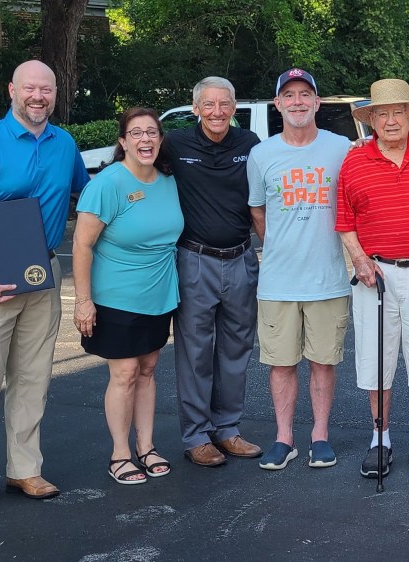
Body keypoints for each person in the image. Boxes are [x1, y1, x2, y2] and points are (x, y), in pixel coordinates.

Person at [0, 60, 89, 514]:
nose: (38, 97)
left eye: (46, 89)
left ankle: (25, 469)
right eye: (30, 88)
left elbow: (87, 197)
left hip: (42, 274)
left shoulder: (64, 144)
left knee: (33, 378)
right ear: (12, 90)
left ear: (56, 93)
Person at [336, 78, 409, 478]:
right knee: (376, 359)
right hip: (376, 274)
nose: (390, 121)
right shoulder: (354, 160)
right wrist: (359, 259)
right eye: (382, 114)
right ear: (371, 120)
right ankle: (380, 439)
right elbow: (344, 220)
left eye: (398, 112)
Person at [72, 108, 182, 484]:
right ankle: (120, 454)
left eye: (152, 132)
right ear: (123, 142)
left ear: (160, 140)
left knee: (147, 370)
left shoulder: (169, 181)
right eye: (136, 133)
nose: (145, 139)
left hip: (160, 294)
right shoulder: (108, 184)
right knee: (124, 373)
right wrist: (83, 301)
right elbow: (82, 245)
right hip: (115, 297)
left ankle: (146, 447)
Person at [248, 69, 351, 470]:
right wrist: (281, 245)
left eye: (305, 94)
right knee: (281, 363)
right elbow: (258, 211)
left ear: (317, 102)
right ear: (277, 104)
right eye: (288, 95)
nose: (297, 102)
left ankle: (320, 436)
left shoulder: (340, 148)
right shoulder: (262, 154)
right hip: (278, 281)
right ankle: (284, 438)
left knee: (323, 362)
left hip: (328, 279)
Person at [163, 77, 263, 467]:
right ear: (195, 108)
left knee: (236, 350)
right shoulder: (175, 144)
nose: (217, 112)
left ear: (234, 107)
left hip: (241, 258)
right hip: (194, 259)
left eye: (224, 104)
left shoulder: (250, 144)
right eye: (209, 104)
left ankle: (228, 429)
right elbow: (138, 171)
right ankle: (196, 436)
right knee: (195, 353)